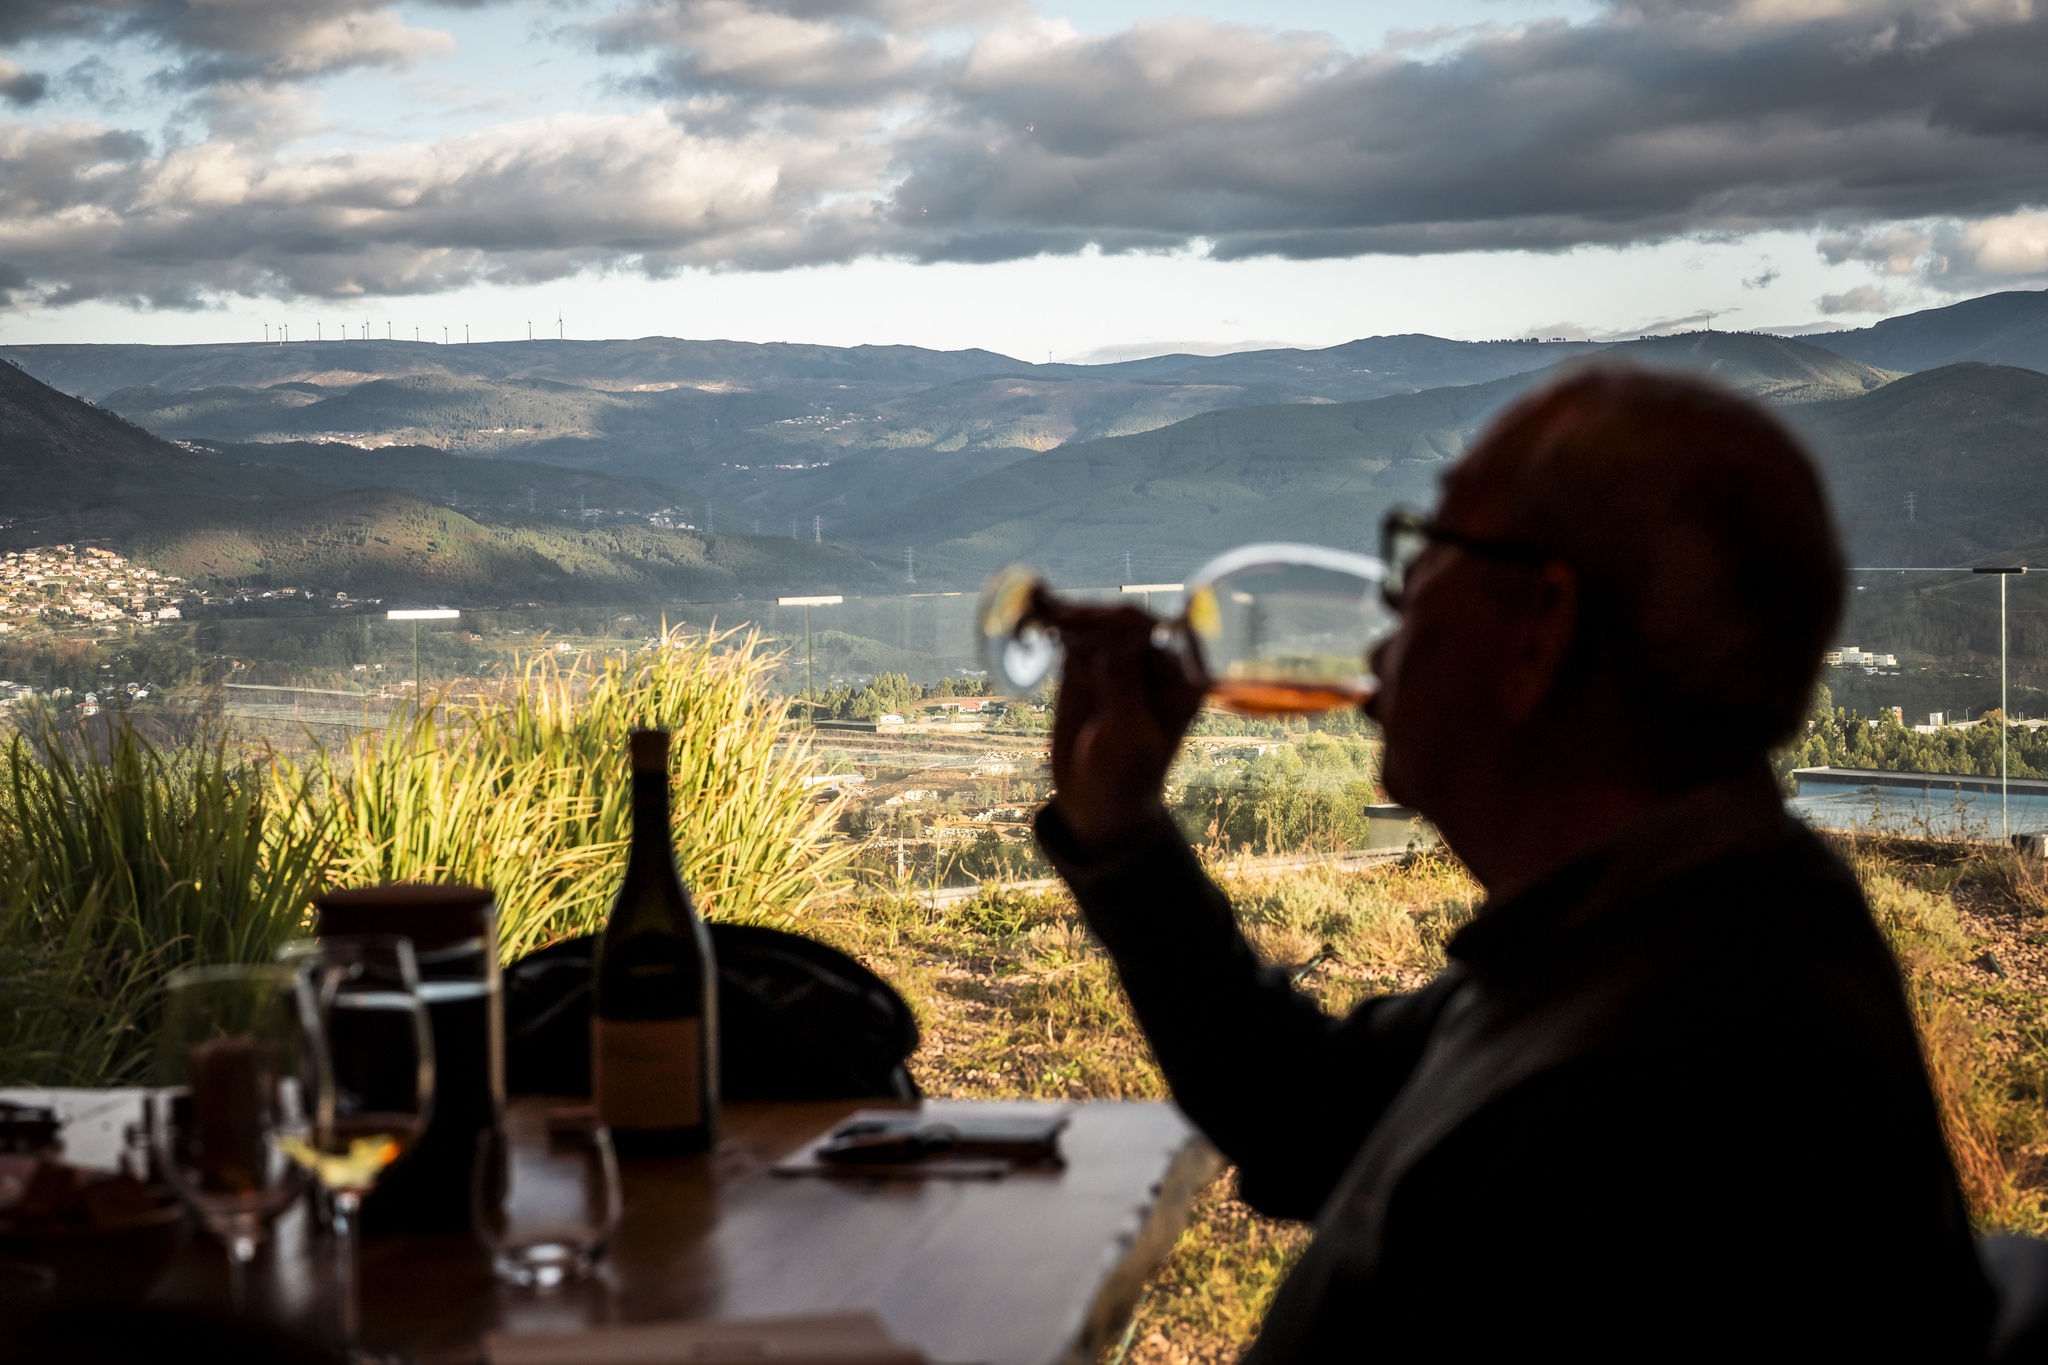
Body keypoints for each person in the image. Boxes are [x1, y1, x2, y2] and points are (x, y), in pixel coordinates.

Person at [1034, 367, 1994, 1359]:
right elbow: (1306, 1111)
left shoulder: (1636, 1105)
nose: (1392, 597)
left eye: (1427, 549)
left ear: (1539, 627)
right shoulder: (1663, 923)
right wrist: (1121, 834)